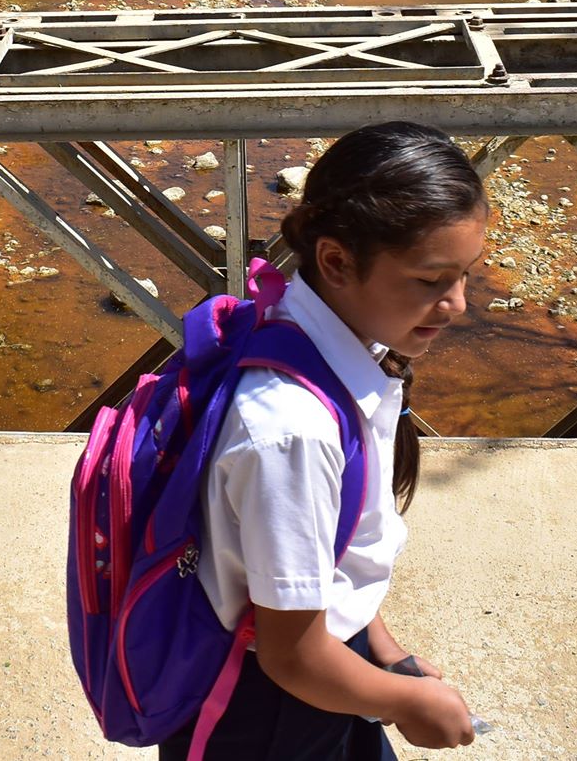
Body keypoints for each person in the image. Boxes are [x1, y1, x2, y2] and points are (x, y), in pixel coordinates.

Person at [161, 121, 488, 760]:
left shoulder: (307, 333)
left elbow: (329, 558)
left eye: (465, 275)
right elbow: (290, 655)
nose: (456, 304)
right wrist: (406, 702)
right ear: (336, 261)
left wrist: (382, 650)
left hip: (337, 667)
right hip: (272, 715)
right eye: (430, 280)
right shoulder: (293, 434)